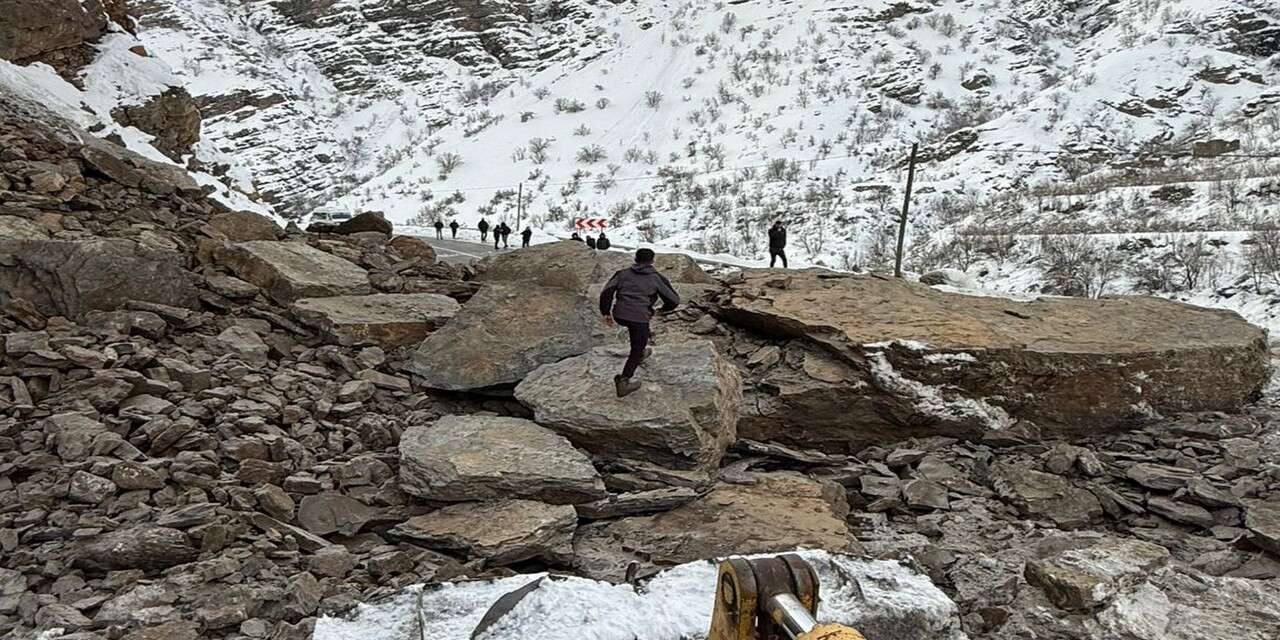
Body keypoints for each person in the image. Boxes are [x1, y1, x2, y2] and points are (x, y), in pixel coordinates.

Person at [599, 248, 681, 398]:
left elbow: (607, 292)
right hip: (639, 317)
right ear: (652, 261)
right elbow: (674, 301)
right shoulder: (657, 278)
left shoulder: (622, 274)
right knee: (637, 345)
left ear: (635, 259)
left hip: (620, 315)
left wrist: (605, 312)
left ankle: (641, 353)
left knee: (637, 332)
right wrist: (663, 309)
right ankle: (624, 381)